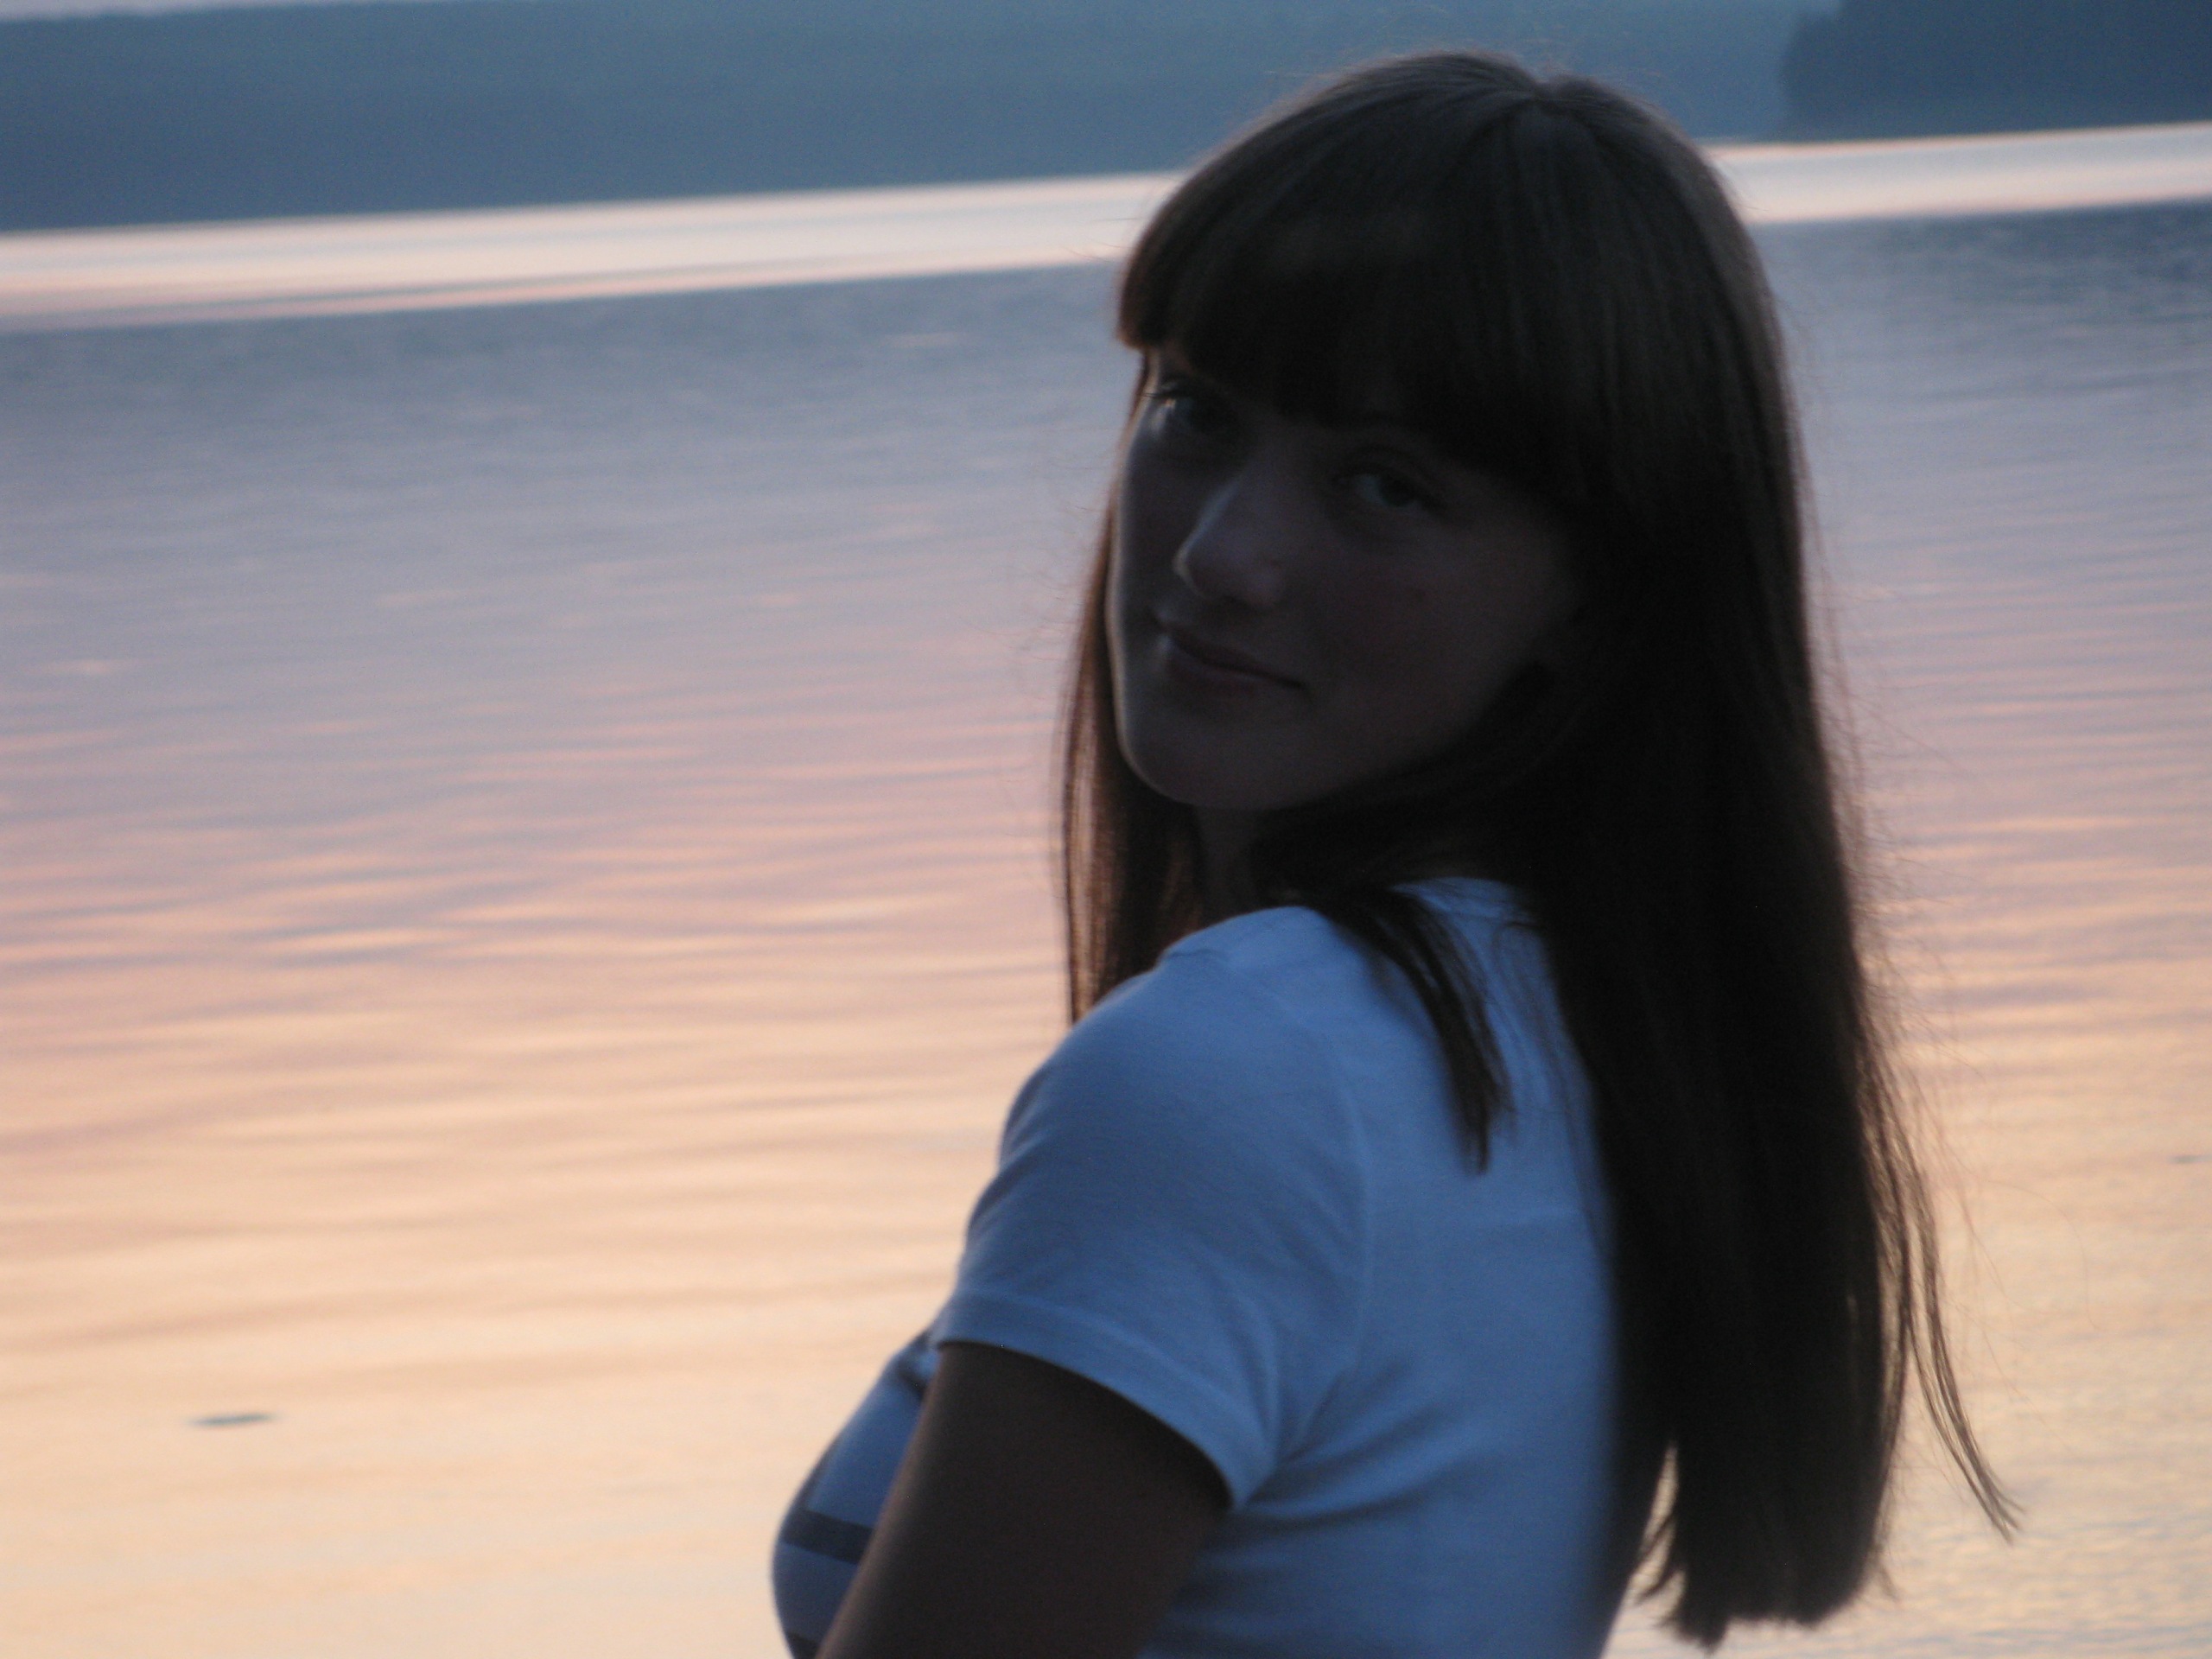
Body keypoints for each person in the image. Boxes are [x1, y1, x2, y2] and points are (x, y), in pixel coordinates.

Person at [771, 48, 2012, 1659]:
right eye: (1197, 412)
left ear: (1598, 595)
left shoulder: (1234, 1076)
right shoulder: (1582, 1027)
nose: (1222, 553)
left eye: (1385, 486)